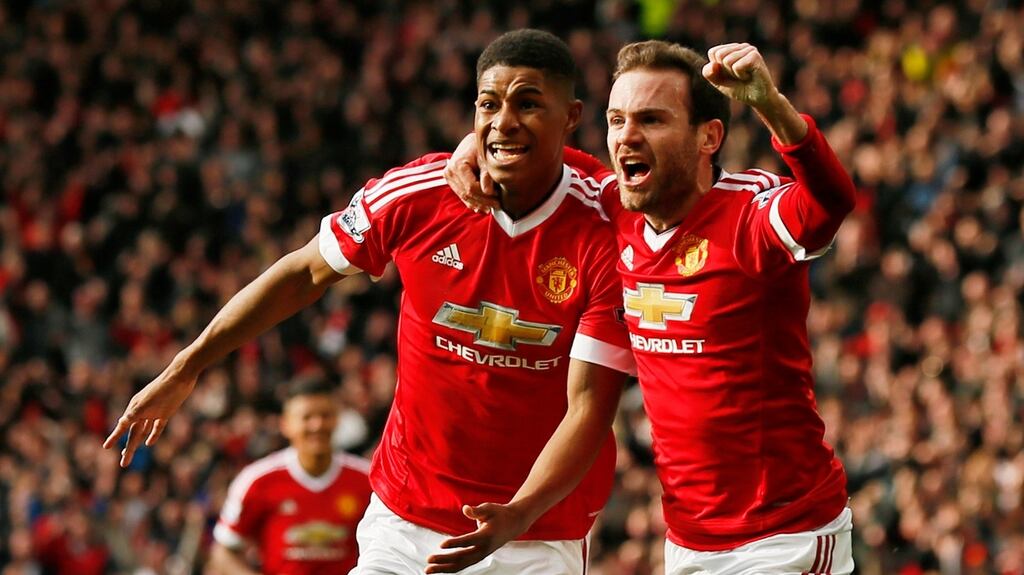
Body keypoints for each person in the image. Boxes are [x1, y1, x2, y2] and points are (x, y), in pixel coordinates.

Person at [103, 29, 634, 574]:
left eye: (528, 104)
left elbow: (589, 409)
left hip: (538, 533)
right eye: (488, 105)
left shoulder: (606, 232)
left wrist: (519, 514)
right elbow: (302, 274)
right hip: (406, 519)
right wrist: (187, 366)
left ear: (571, 116)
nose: (503, 122)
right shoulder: (418, 195)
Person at [446, 41, 858, 574]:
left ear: (709, 136)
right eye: (616, 120)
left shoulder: (751, 215)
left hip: (786, 536)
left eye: (651, 119)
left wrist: (770, 104)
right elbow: (549, 158)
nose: (626, 137)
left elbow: (830, 201)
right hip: (687, 540)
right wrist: (477, 144)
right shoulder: (616, 210)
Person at [209, 379, 372, 575]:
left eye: (325, 415)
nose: (317, 425)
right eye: (307, 417)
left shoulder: (369, 479)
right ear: (285, 425)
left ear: (337, 420)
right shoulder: (258, 480)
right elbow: (223, 551)